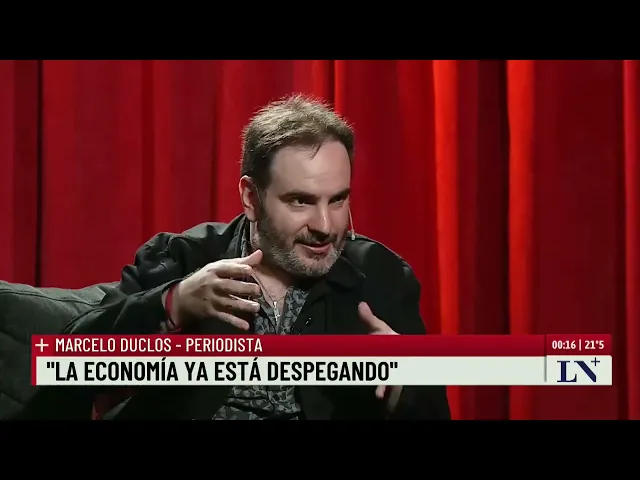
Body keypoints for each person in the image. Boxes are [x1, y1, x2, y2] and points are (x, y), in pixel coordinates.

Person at [20, 94, 450, 420]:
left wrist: (408, 386)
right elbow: (62, 373)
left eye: (337, 200)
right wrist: (173, 304)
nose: (325, 225)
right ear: (250, 197)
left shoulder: (381, 278)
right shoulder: (181, 259)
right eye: (301, 201)